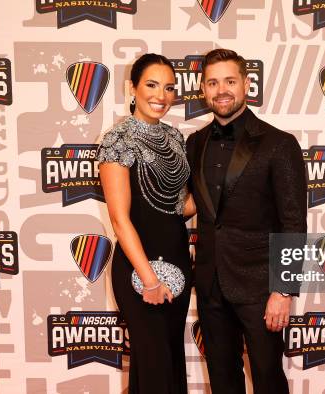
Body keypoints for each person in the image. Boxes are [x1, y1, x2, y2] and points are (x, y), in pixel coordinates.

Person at [186, 49, 307, 394]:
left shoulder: (279, 143)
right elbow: (190, 205)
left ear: (246, 84)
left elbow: (294, 222)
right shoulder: (194, 143)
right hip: (210, 283)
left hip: (260, 287)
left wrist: (283, 290)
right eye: (212, 82)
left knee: (268, 379)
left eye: (229, 81)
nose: (221, 90)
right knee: (223, 380)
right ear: (203, 89)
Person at [98, 53, 196, 394]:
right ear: (132, 88)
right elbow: (119, 219)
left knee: (164, 362)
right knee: (156, 366)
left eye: (169, 88)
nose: (161, 95)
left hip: (178, 261)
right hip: (139, 269)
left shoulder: (175, 138)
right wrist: (149, 279)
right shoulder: (117, 139)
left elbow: (178, 207)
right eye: (152, 85)